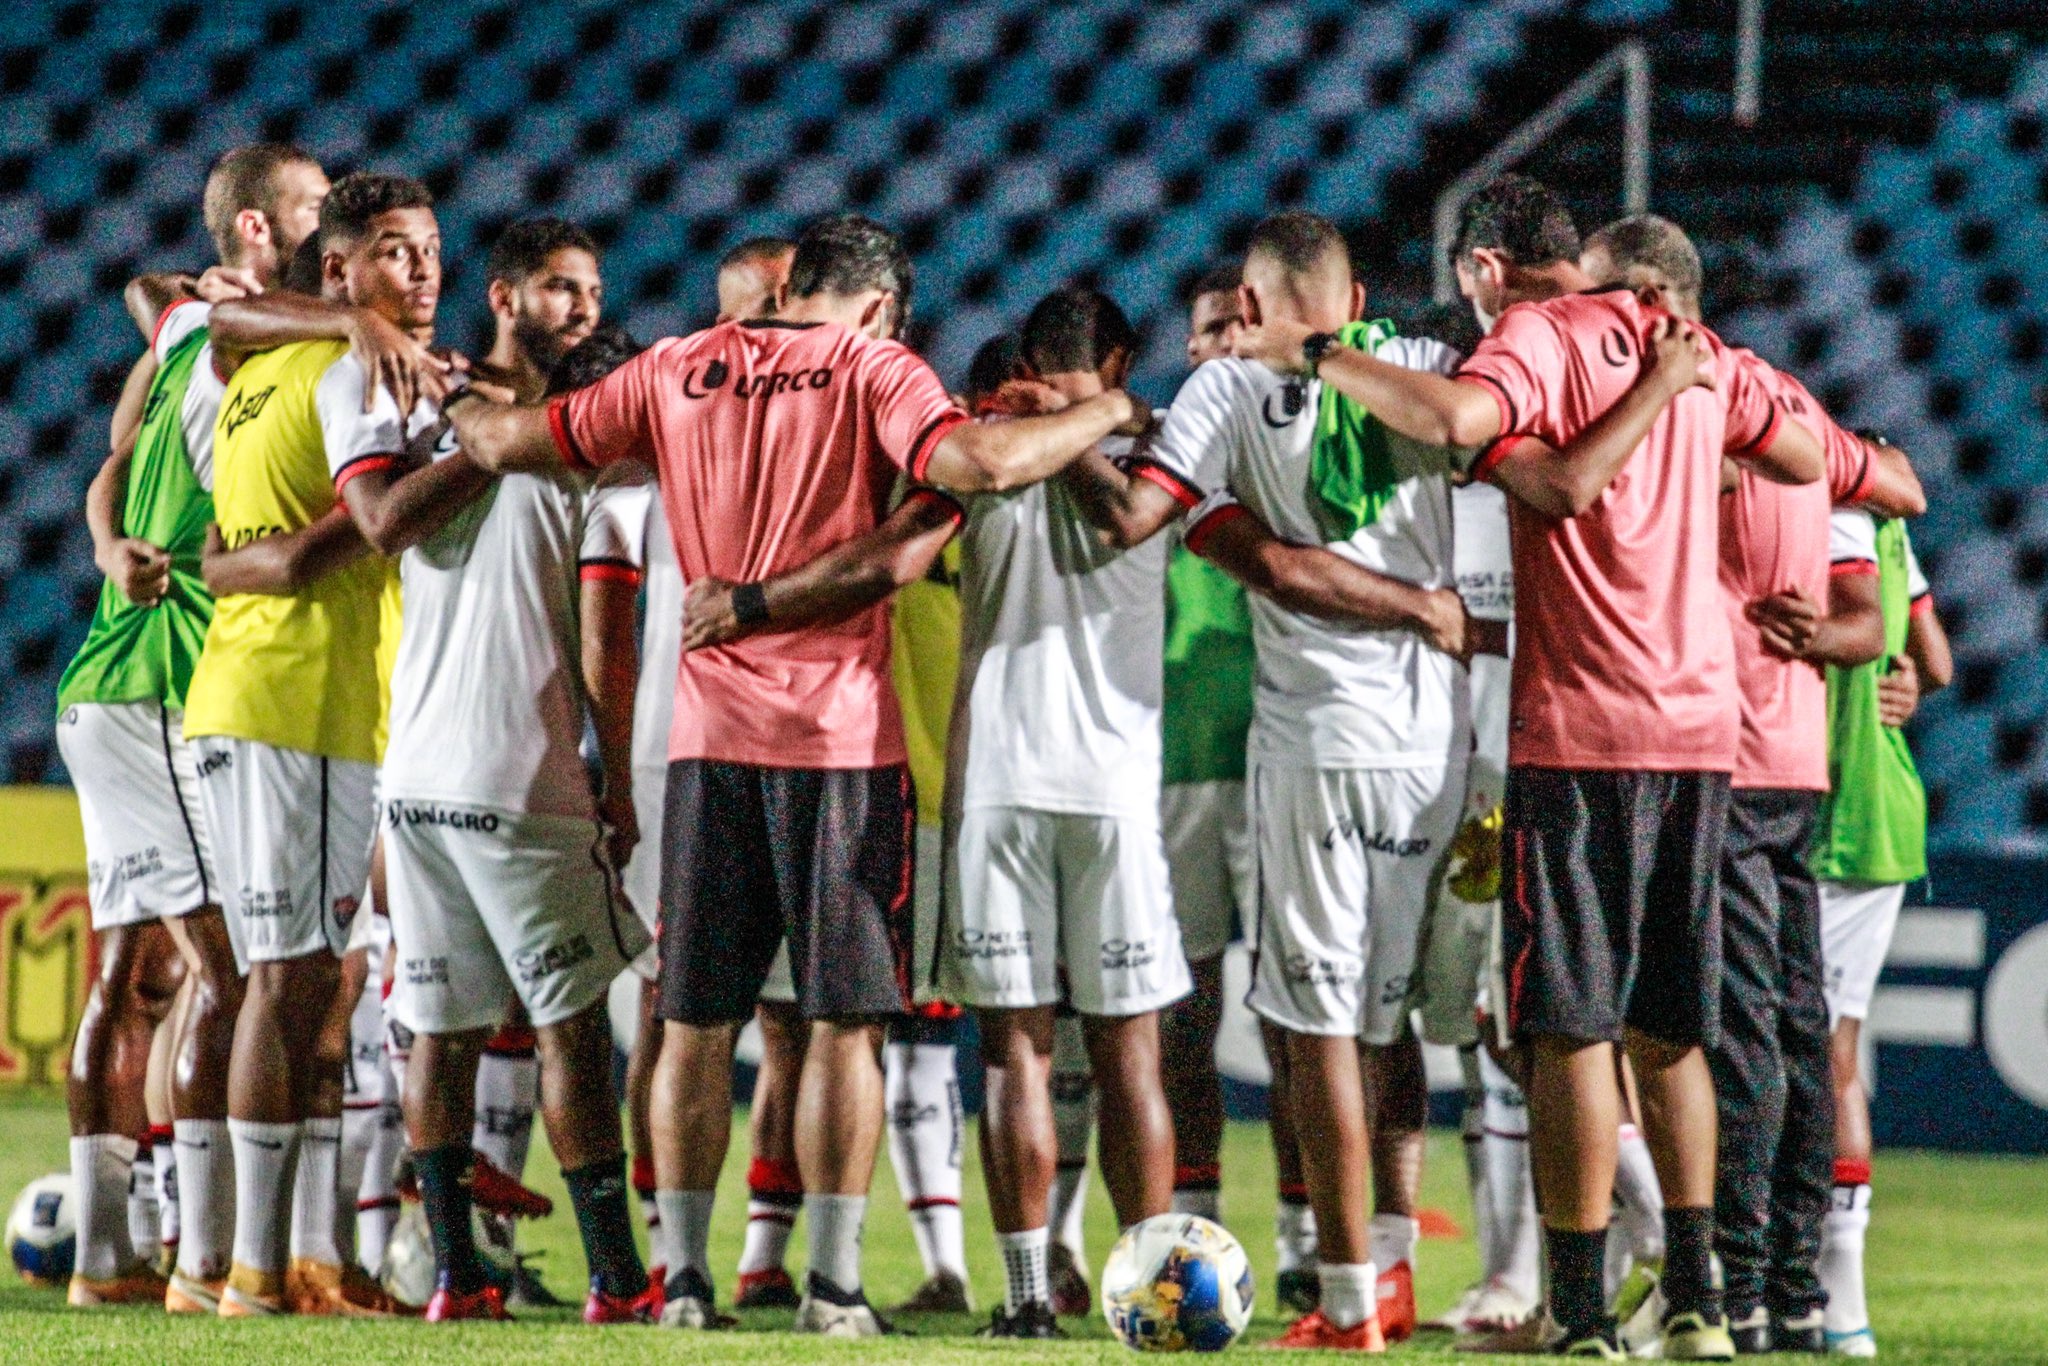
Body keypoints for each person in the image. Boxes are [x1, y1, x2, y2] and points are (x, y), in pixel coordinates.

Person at [449, 212, 1151, 1336]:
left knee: (692, 1020)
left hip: (703, 737)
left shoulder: (676, 364)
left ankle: (684, 1282)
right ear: (876, 305)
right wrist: (1110, 411)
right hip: (838, 742)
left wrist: (452, 396)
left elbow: (504, 443)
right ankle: (831, 1287)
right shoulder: (874, 367)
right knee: (842, 1023)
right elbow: (981, 463)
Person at [1230, 174, 1827, 1358]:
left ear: (1489, 270)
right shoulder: (1696, 347)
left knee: (1567, 1029)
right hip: (1700, 732)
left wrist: (1318, 355)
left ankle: (1578, 1311)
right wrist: (1682, 426)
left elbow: (1463, 423)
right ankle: (1698, 1299)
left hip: (1578, 727)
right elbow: (1804, 453)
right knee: (1672, 1030)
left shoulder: (1537, 336)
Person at [1578, 214, 1926, 1355]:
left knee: (1726, 1035)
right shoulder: (1788, 408)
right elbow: (1892, 499)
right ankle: (1792, 1288)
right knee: (1794, 1028)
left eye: (1600, 297)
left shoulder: (1689, 404)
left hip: (1713, 757)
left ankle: (1729, 1283)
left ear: (1650, 301)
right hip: (1791, 763)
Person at [1151, 211, 1480, 1351]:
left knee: (1318, 1029)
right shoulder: (1424, 365)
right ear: (1354, 301)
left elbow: (1189, 527)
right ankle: (1401, 1270)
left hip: (1316, 750)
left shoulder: (1224, 388)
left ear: (1246, 309)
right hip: (1437, 745)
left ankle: (1345, 1302)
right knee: (1399, 1025)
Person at [180, 171, 475, 1319]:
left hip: (245, 687)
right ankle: (254, 1271)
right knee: (292, 976)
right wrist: (487, 447)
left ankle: (271, 1262)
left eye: (431, 250)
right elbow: (378, 521)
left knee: (304, 976)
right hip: (304, 697)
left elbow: (235, 530)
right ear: (339, 268)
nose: (425, 271)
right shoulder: (354, 368)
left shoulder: (254, 373)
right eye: (397, 251)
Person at [54, 142, 331, 1311]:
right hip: (158, 681)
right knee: (234, 970)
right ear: (260, 230)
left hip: (113, 682)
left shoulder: (184, 327)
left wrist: (104, 541)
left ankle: (105, 1257)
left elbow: (114, 459)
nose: (336, 222)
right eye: (319, 206)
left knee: (134, 973)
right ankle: (205, 1259)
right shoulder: (243, 340)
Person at [375, 217, 655, 1325]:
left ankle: (457, 1276)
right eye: (559, 286)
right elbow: (603, 645)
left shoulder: (439, 433)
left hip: (417, 777)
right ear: (502, 295)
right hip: (519, 783)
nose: (581, 306)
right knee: (570, 1029)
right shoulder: (586, 469)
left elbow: (388, 526)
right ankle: (616, 1280)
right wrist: (616, 778)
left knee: (440, 1032)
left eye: (591, 290)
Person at [931, 288, 1195, 1339]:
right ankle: (1154, 1303)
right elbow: (1128, 511)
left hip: (998, 780)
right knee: (1131, 1060)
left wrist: (1046, 421)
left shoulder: (985, 453)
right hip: (1114, 789)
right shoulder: (1157, 451)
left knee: (1015, 1056)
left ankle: (1026, 1298)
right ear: (1119, 358)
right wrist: (1109, 415)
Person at [1813, 508, 1947, 1358]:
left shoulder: (1808, 508)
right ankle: (1840, 1302)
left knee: (1797, 1057)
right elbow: (1937, 662)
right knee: (1836, 1057)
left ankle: (1822, 1292)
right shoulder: (1884, 521)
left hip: (1824, 809)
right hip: (1883, 813)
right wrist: (1904, 686)